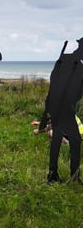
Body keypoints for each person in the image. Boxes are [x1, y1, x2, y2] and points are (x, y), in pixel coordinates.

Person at [38, 38, 83, 183]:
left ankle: (52, 175)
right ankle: (73, 176)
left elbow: (53, 85)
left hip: (56, 106)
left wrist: (48, 109)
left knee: (57, 138)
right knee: (75, 140)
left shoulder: (63, 60)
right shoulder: (76, 65)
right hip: (64, 107)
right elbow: (76, 90)